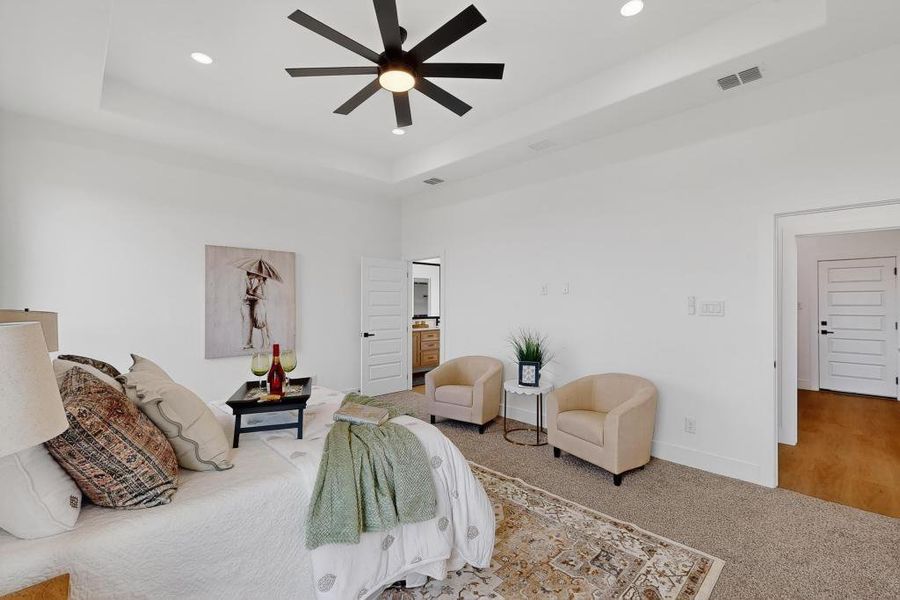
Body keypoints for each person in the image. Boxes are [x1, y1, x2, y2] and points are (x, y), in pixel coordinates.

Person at [241, 272, 271, 349]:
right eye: (256, 274)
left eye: (258, 275)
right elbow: (251, 293)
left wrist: (254, 293)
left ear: (262, 276)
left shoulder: (262, 284)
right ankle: (265, 343)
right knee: (260, 323)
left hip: (259, 304)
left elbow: (264, 296)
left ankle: (266, 343)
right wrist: (253, 292)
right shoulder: (258, 283)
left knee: (262, 323)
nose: (257, 275)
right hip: (257, 304)